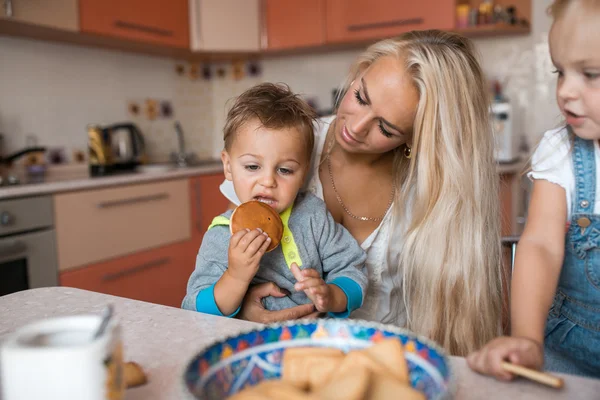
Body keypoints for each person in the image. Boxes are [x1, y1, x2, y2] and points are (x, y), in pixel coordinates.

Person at [220, 30, 503, 356]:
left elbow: (455, 323)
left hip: (386, 356)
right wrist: (242, 311)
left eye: (386, 128)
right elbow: (230, 244)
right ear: (359, 73)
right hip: (288, 353)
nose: (354, 128)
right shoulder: (286, 141)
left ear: (416, 138)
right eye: (360, 97)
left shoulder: (434, 189)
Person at [467, 0, 600, 379]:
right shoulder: (562, 151)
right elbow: (540, 243)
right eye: (561, 72)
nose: (567, 92)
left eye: (590, 74)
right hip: (567, 356)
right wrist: (527, 338)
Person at [182, 83, 368, 318]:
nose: (268, 181)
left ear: (304, 173)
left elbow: (353, 268)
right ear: (228, 166)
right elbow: (193, 308)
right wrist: (236, 276)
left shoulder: (313, 215)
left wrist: (332, 295)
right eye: (252, 166)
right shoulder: (222, 234)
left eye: (285, 170)